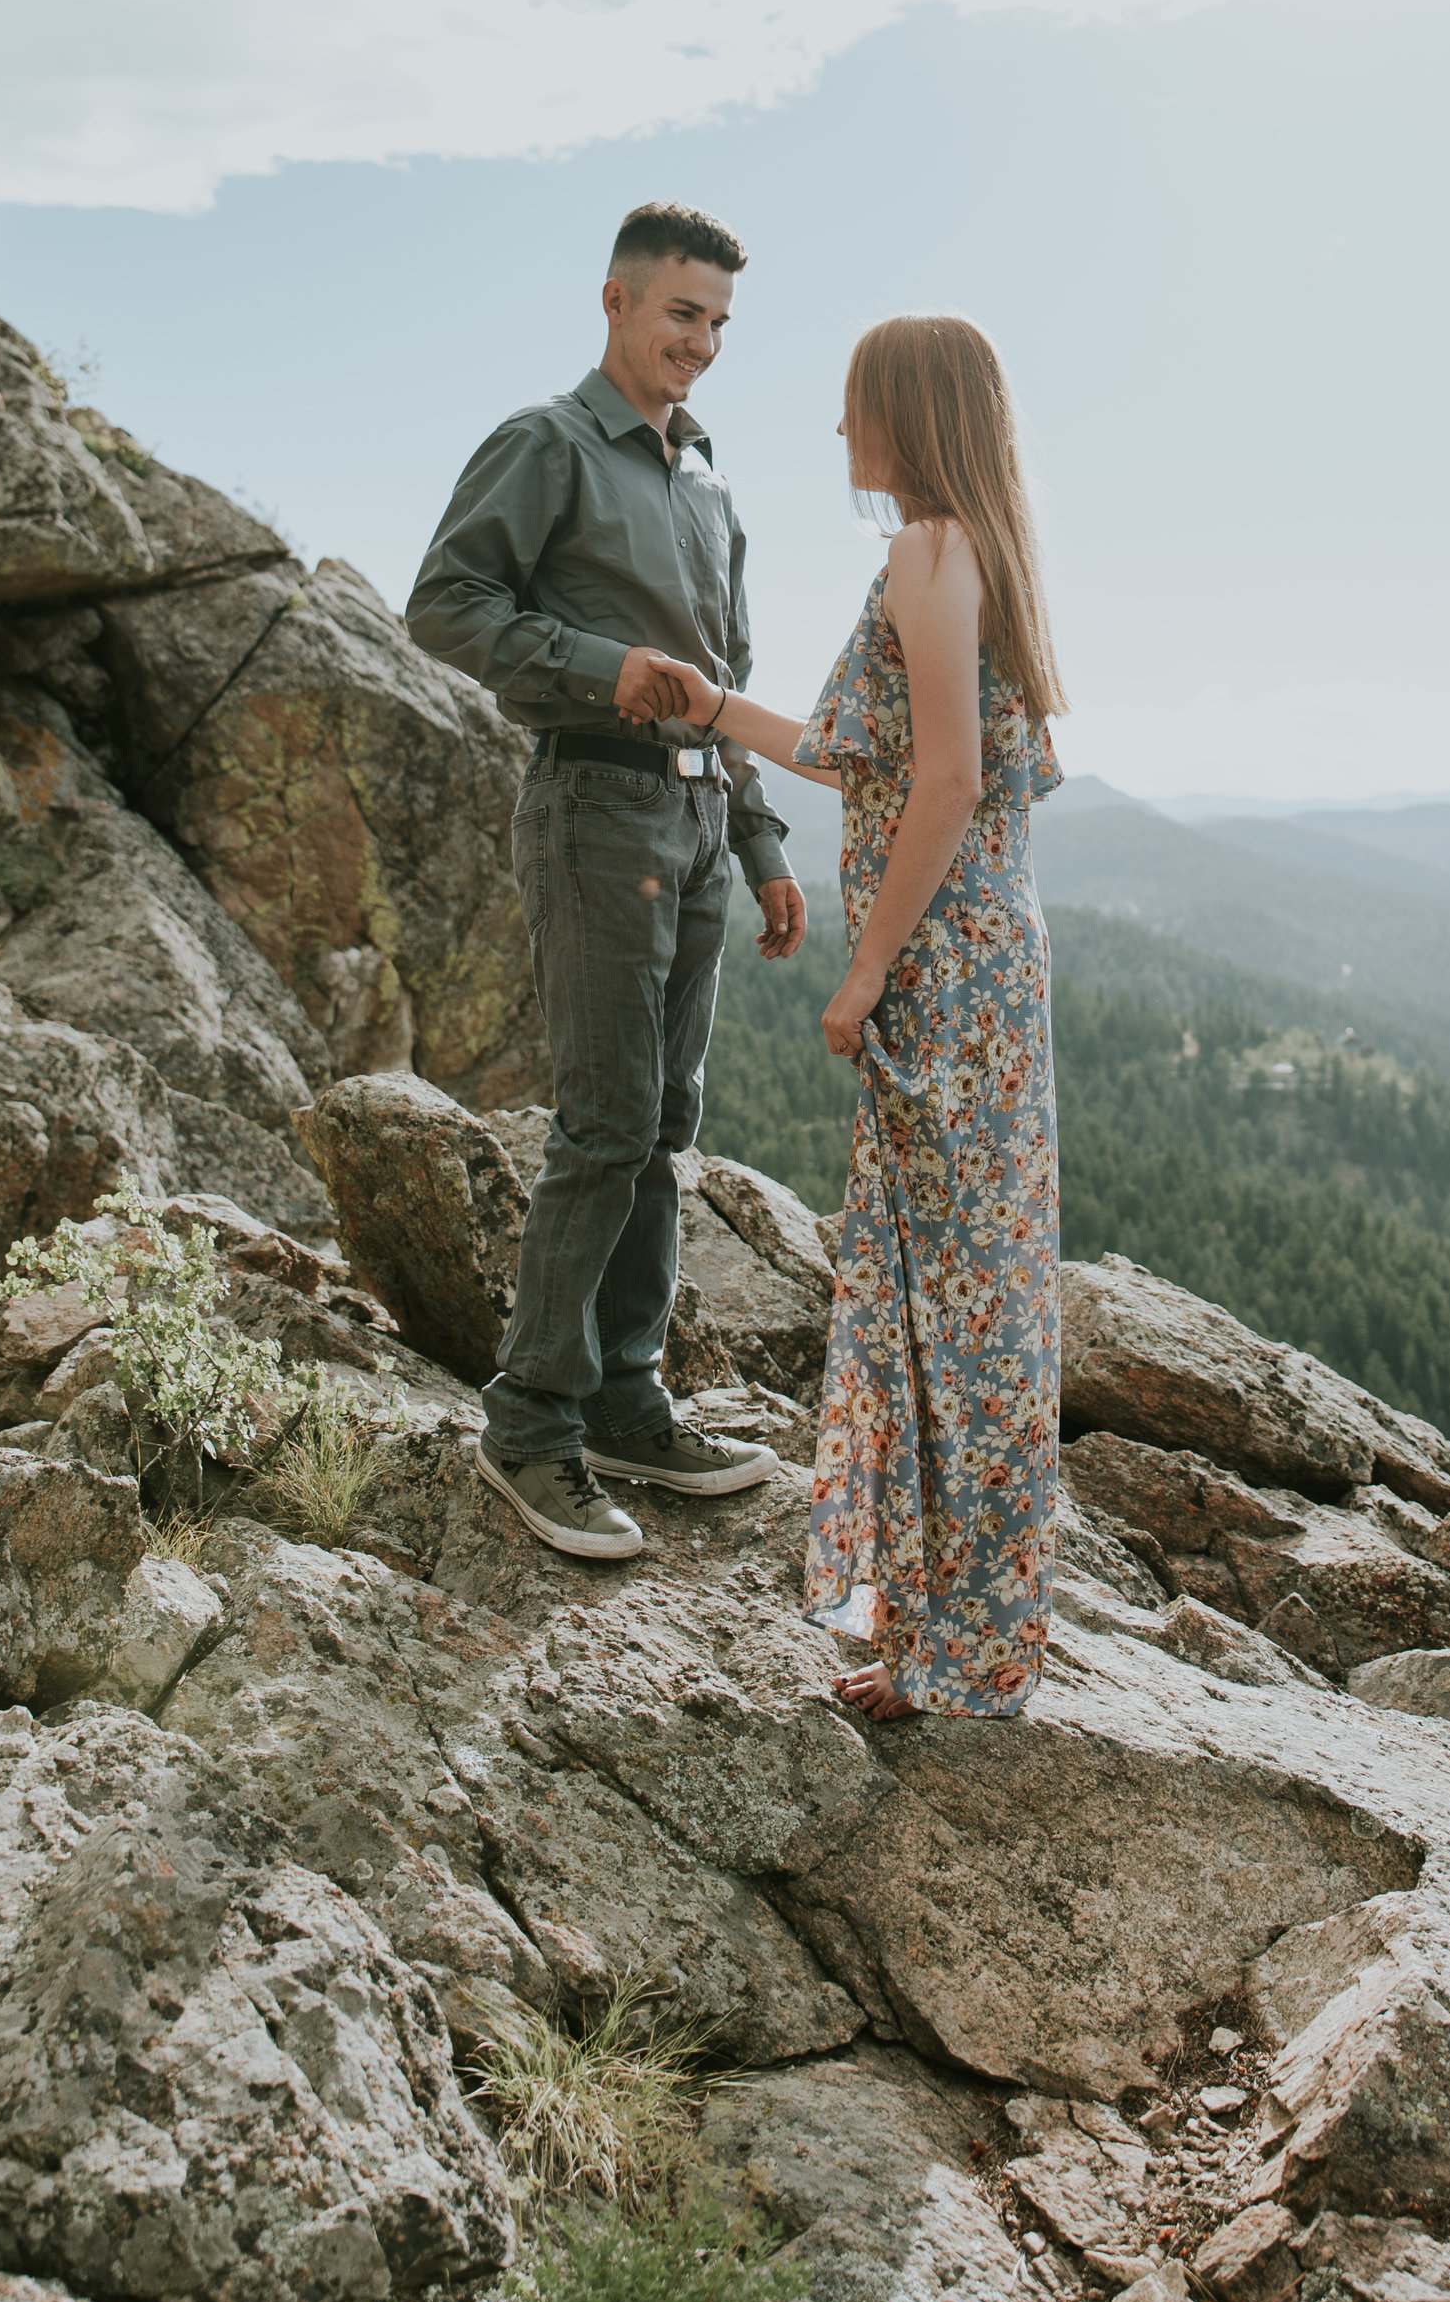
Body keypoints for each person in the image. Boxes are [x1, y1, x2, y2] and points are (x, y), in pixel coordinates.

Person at [656, 311, 1064, 1717]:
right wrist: (714, 704)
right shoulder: (983, 551)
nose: (841, 430)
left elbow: (945, 781)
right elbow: (861, 756)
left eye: (857, 403)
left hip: (946, 970)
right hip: (991, 963)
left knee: (948, 1302)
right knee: (966, 1288)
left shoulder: (929, 550)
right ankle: (951, 1626)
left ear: (912, 409)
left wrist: (867, 965)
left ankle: (960, 1649)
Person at [406, 200, 809, 1562]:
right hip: (593, 806)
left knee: (667, 1123)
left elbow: (727, 683)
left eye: (719, 322)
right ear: (616, 301)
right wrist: (602, 668)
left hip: (696, 823)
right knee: (605, 1121)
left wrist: (760, 846)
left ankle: (629, 1403)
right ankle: (529, 1427)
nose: (701, 342)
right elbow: (444, 604)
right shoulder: (547, 445)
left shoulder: (709, 484)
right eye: (682, 312)